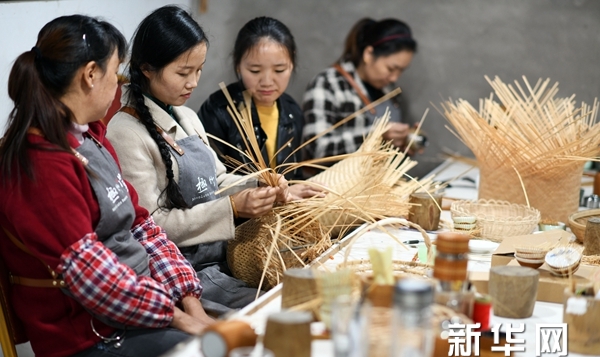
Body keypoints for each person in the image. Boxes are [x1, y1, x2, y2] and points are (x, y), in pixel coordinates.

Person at [0, 15, 213, 357]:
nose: (120, 82)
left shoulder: (90, 136)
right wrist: (178, 317)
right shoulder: (40, 165)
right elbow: (96, 281)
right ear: (90, 75)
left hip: (137, 311)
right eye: (116, 71)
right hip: (90, 338)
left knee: (228, 337)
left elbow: (142, 225)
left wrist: (190, 301)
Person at [107, 7, 289, 316]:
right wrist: (231, 208)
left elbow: (218, 181)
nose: (193, 82)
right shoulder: (125, 132)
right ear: (148, 69)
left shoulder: (187, 116)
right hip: (179, 275)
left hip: (219, 260)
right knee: (270, 313)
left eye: (199, 70)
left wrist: (260, 184)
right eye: (182, 72)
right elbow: (151, 225)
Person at [199, 16, 324, 200]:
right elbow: (207, 184)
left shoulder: (292, 111)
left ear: (292, 63)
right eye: (255, 71)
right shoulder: (218, 111)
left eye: (279, 70)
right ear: (238, 65)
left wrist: (299, 188)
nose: (267, 82)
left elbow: (293, 174)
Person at [301, 18, 419, 177]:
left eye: (401, 71)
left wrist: (404, 142)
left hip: (378, 187)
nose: (394, 78)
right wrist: (375, 135)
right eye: (391, 69)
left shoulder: (389, 90)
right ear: (369, 54)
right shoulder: (328, 84)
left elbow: (384, 152)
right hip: (334, 192)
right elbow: (316, 149)